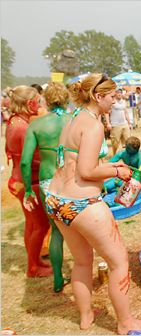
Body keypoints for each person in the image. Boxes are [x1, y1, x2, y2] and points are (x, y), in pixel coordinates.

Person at [42, 74, 141, 334]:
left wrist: (110, 165)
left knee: (82, 262)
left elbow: (76, 162)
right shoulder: (93, 126)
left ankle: (85, 317)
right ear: (97, 96)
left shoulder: (73, 117)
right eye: (112, 96)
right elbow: (86, 171)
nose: (116, 101)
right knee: (119, 264)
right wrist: (117, 173)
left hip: (58, 200)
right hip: (84, 204)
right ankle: (126, 324)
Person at [20, 81, 72, 292]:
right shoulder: (74, 120)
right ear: (66, 99)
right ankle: (83, 275)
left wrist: (28, 189)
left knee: (57, 231)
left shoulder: (36, 125)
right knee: (81, 230)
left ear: (46, 101)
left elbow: (25, 161)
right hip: (72, 179)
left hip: (47, 182)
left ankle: (58, 279)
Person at [5, 85, 52, 278]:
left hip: (18, 181)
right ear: (29, 103)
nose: (40, 104)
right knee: (41, 225)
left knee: (32, 224)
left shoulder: (13, 122)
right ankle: (33, 267)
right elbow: (29, 160)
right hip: (27, 182)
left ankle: (34, 262)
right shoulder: (24, 128)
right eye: (37, 100)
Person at [105, 90, 131, 155]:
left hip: (124, 124)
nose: (119, 94)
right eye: (118, 93)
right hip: (115, 125)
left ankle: (127, 155)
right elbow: (106, 113)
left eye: (120, 93)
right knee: (115, 143)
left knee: (128, 141)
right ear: (115, 94)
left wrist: (129, 123)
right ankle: (115, 154)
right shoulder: (112, 102)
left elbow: (126, 112)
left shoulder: (124, 102)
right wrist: (108, 123)